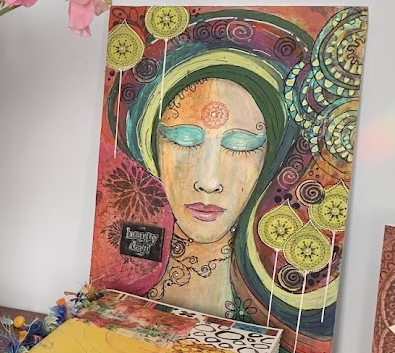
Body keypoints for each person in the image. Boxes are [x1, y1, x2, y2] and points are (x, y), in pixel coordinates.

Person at [121, 47, 290, 317]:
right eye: (183, 140)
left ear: (271, 160)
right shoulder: (119, 277)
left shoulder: (285, 311)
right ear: (150, 148)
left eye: (241, 146)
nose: (208, 182)